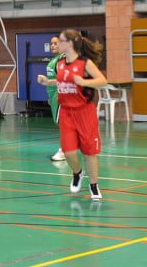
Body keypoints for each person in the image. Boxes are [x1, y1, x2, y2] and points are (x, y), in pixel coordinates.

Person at [38, 29, 107, 201]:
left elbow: (102, 80)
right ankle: (77, 173)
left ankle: (94, 185)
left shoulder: (85, 63)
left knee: (89, 152)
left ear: (69, 43)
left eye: (60, 41)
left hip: (84, 112)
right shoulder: (60, 63)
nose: (56, 44)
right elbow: (63, 80)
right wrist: (48, 82)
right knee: (68, 151)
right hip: (67, 112)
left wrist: (84, 81)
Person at [38, 35, 65, 161]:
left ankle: (64, 150)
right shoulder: (54, 60)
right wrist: (50, 97)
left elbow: (62, 80)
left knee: (63, 125)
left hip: (61, 95)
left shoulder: (61, 60)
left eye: (56, 43)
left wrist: (46, 81)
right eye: (51, 43)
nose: (53, 46)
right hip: (54, 96)